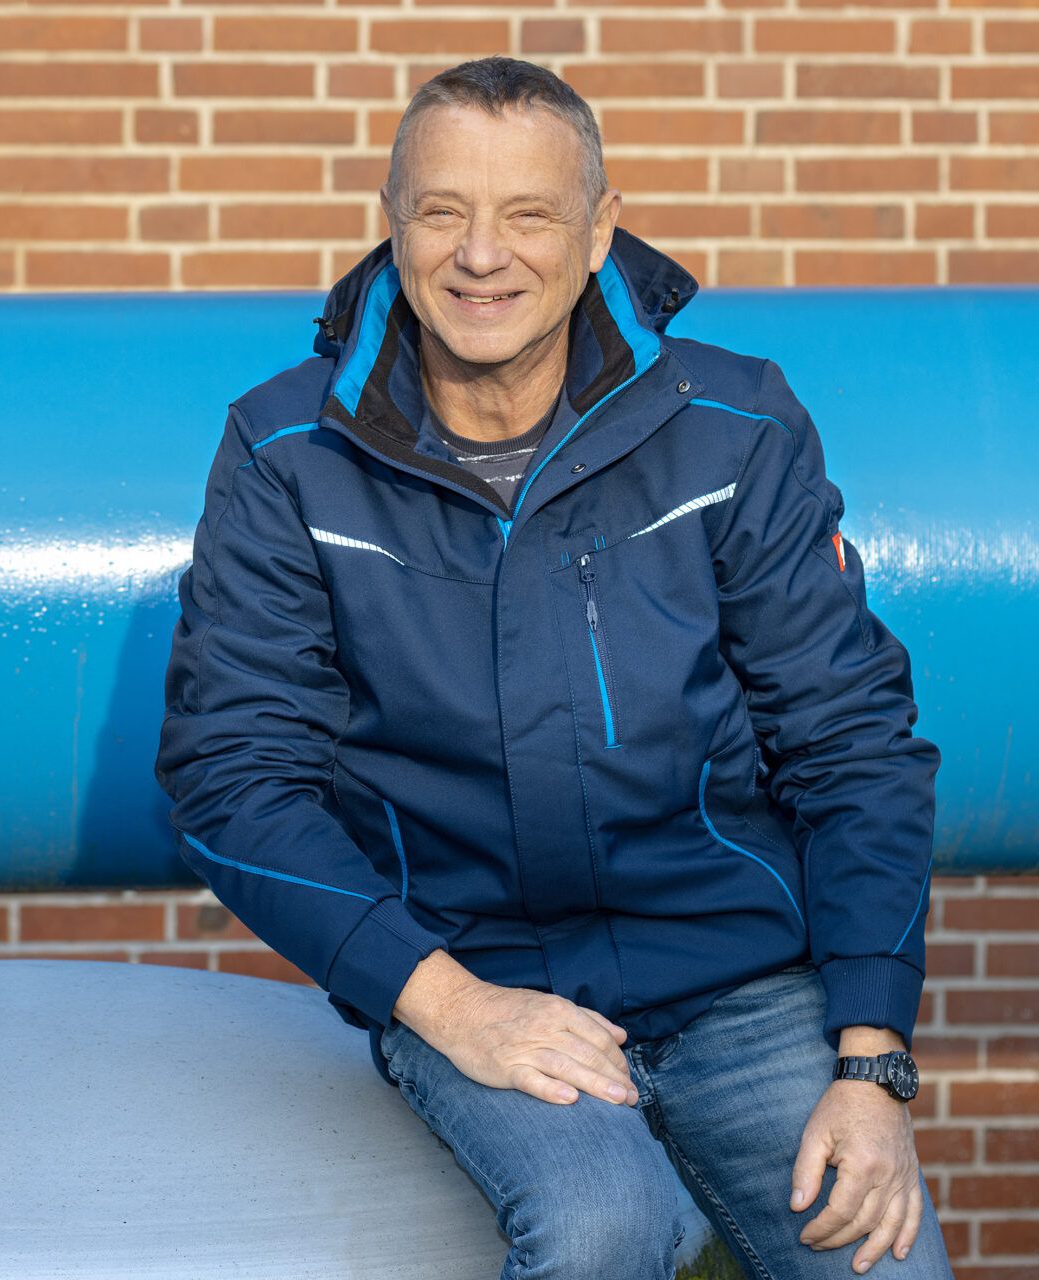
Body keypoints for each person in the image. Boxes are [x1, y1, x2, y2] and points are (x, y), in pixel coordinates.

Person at [157, 56, 946, 1280]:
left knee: (878, 1261)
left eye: (528, 213)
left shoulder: (734, 427)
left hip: (743, 976)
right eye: (442, 211)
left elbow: (852, 743)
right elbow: (231, 775)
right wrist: (445, 1001)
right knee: (599, 1228)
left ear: (598, 229)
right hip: (473, 975)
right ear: (392, 219)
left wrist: (870, 1054)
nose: (482, 255)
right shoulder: (287, 450)